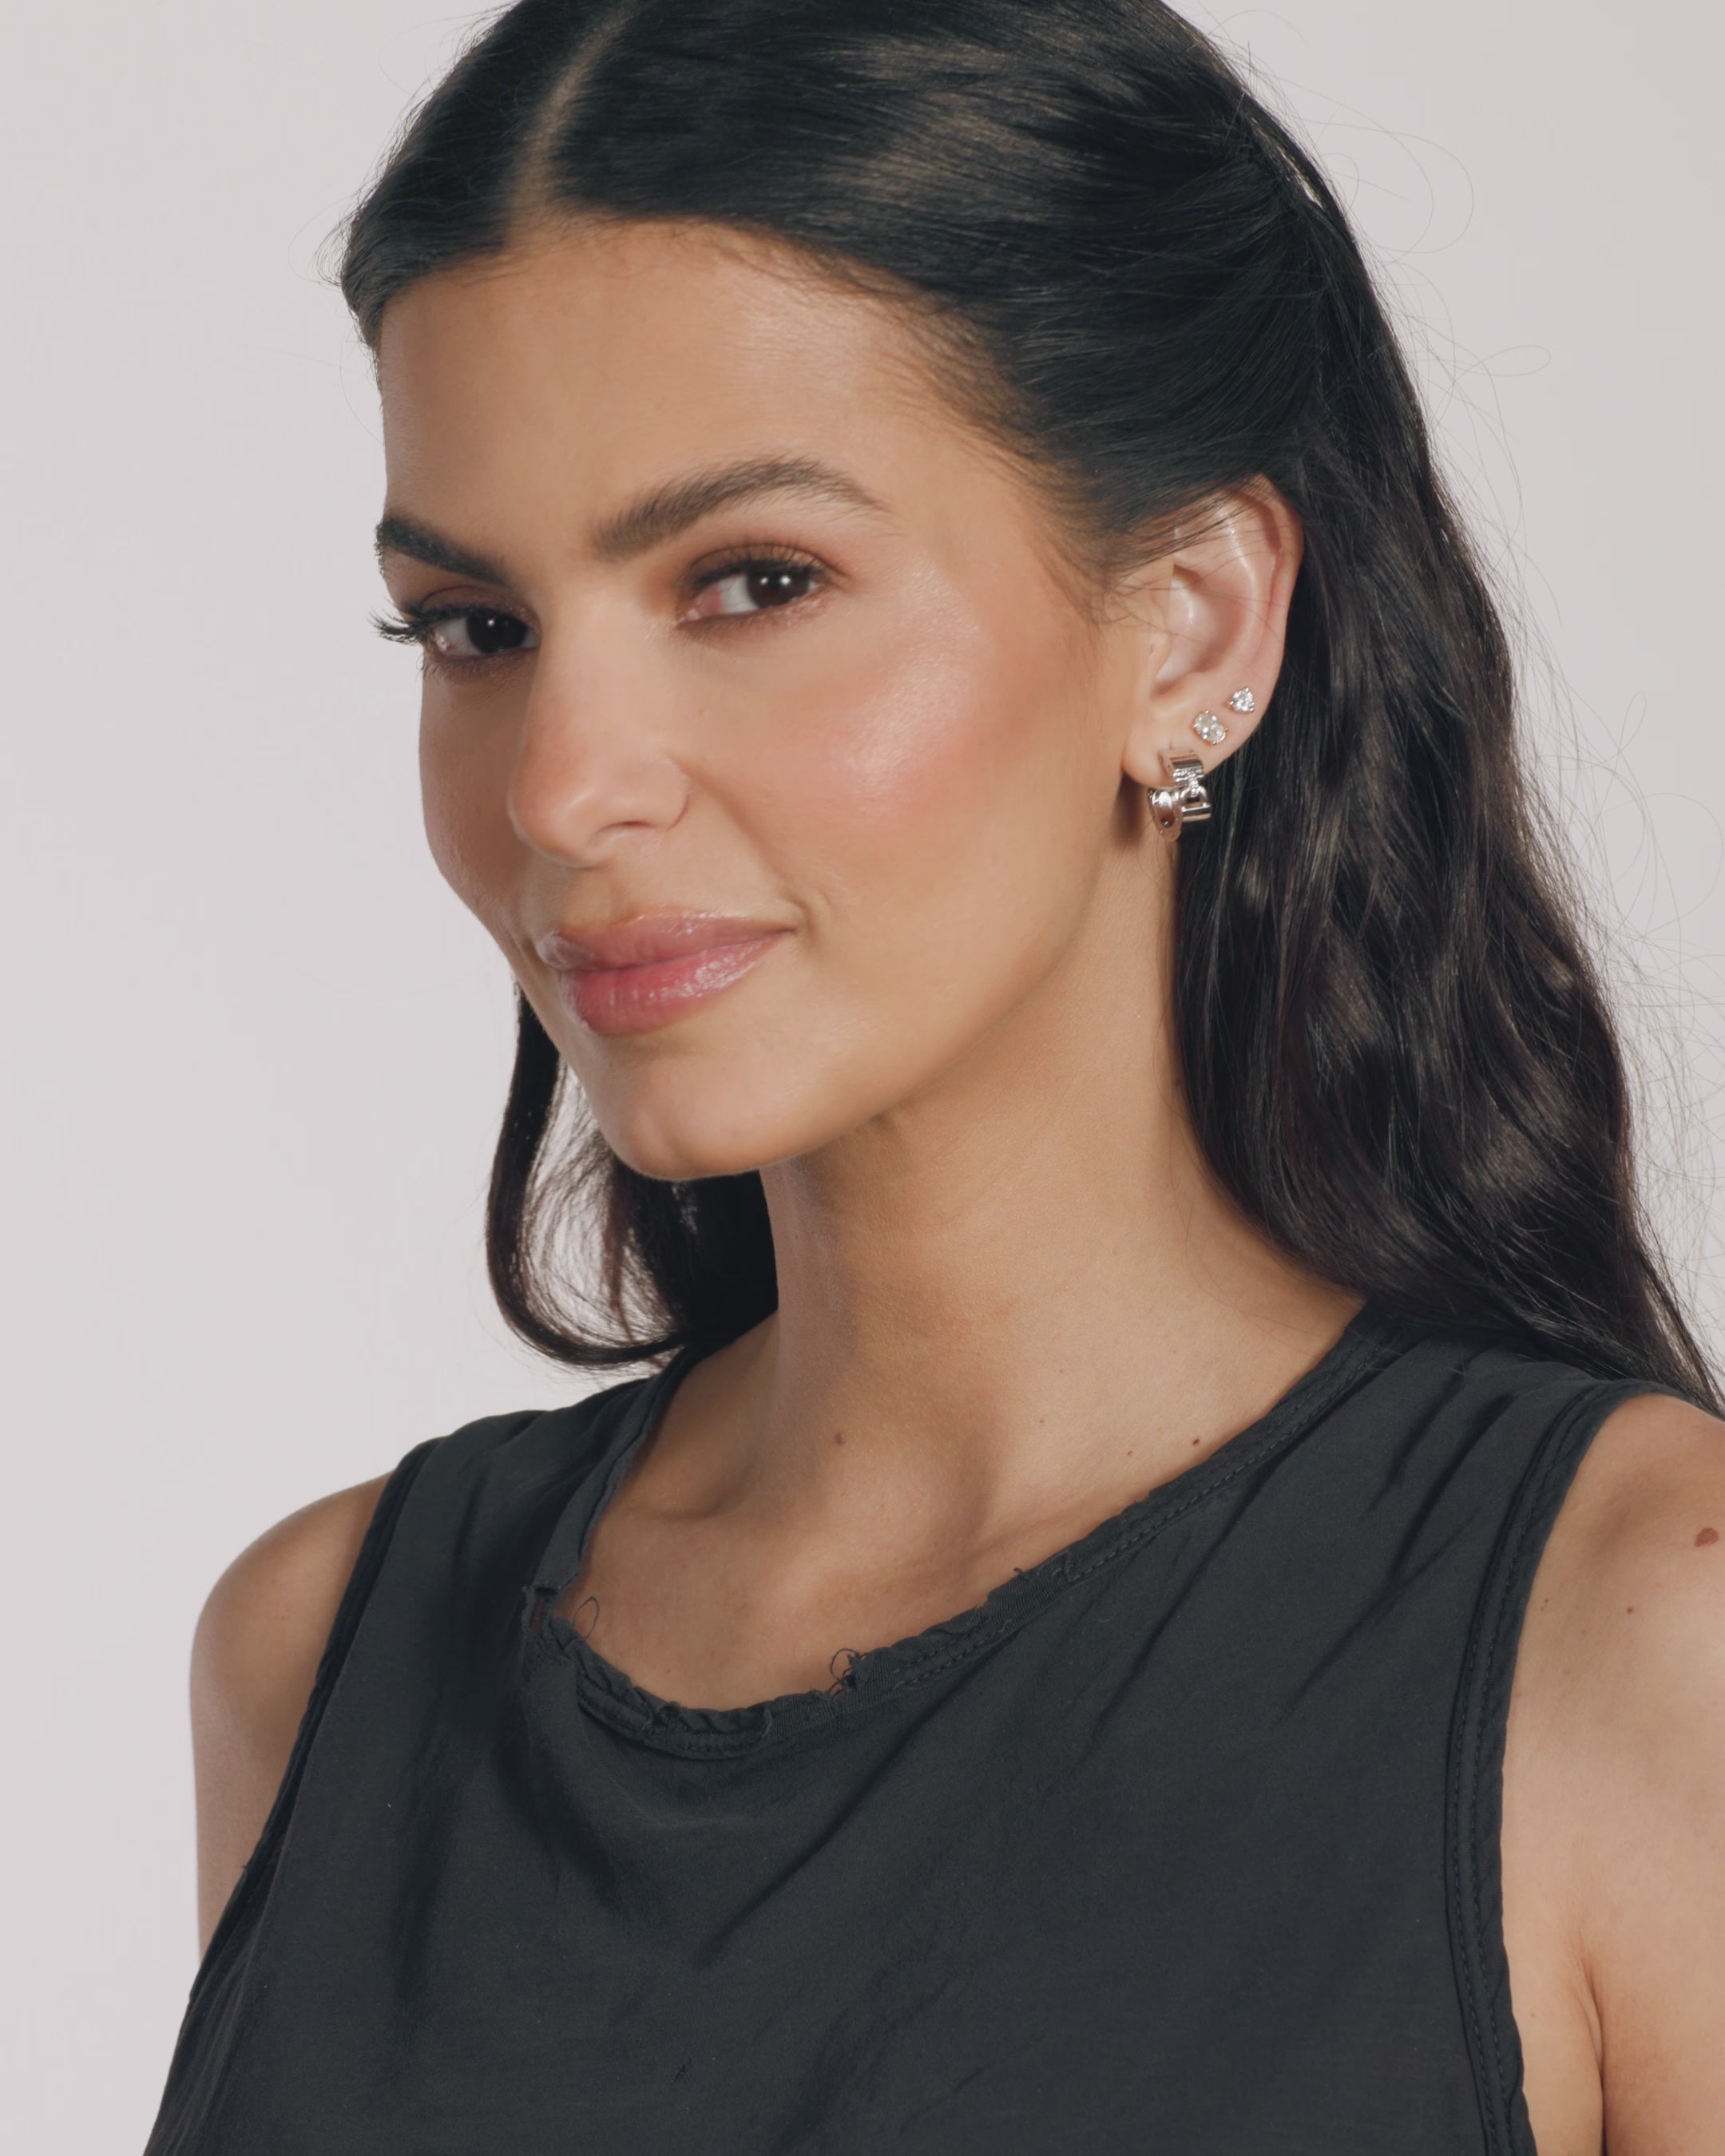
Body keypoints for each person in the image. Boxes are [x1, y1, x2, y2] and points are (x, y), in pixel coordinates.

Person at [146, 2, 1725, 2150]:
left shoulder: (1638, 1654)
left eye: (753, 582)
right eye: (474, 627)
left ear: (1192, 626)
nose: (564, 788)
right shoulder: (323, 1661)